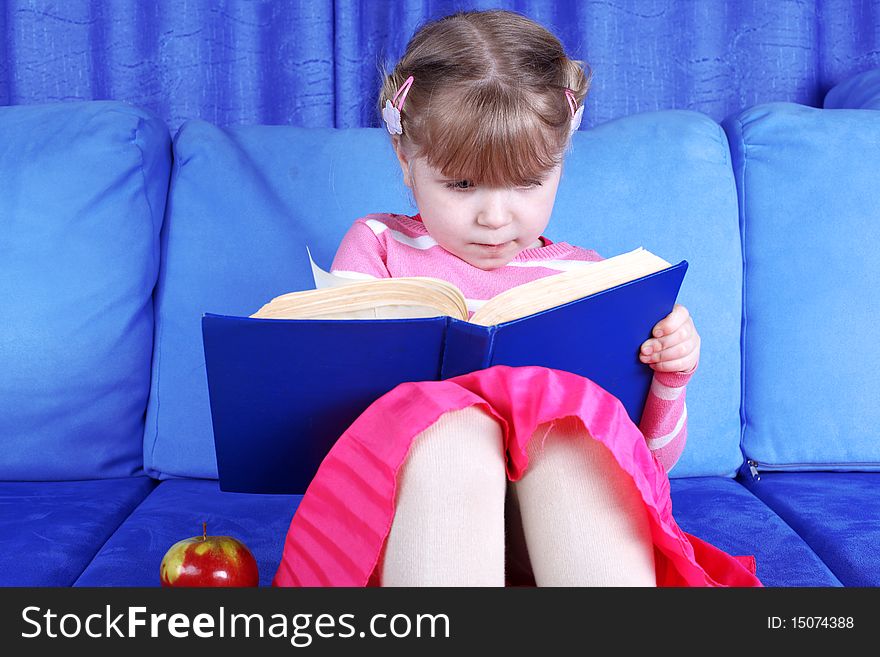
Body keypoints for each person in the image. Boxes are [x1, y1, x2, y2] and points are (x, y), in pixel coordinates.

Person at [273, 9, 760, 587]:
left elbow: (649, 464)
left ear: (560, 165)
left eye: (527, 183)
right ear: (406, 161)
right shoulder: (379, 247)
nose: (495, 218)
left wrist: (670, 380)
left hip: (556, 543)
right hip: (417, 526)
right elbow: (339, 431)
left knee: (571, 426)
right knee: (451, 427)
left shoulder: (586, 279)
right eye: (461, 185)